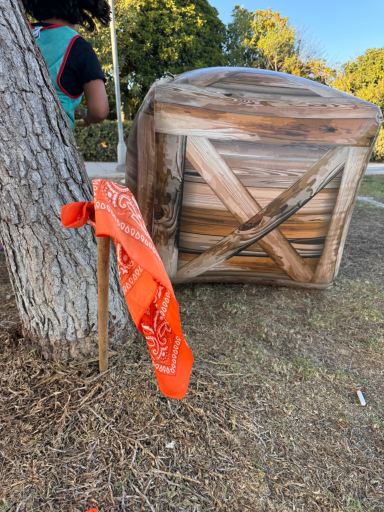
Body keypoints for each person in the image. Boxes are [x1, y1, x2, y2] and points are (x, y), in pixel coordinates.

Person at [21, 0, 110, 130]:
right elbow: (99, 111)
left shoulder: (21, 33)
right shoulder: (78, 46)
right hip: (51, 138)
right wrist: (87, 116)